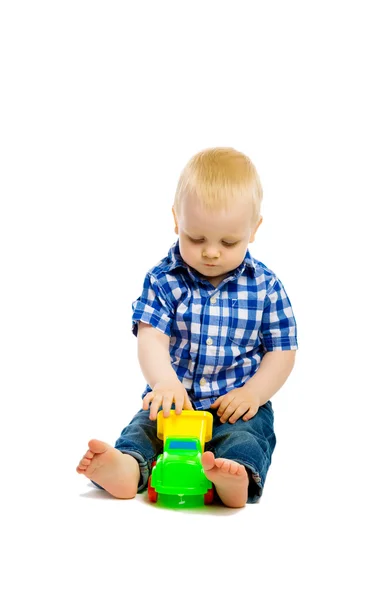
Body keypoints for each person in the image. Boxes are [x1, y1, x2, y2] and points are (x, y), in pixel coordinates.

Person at [76, 147, 298, 508]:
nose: (211, 252)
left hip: (235, 406)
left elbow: (282, 350)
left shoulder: (266, 286)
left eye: (228, 242)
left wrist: (254, 394)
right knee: (144, 431)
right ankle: (127, 467)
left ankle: (232, 477)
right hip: (173, 404)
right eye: (196, 238)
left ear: (254, 230)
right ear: (177, 220)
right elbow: (151, 337)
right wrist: (165, 383)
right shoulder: (164, 280)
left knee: (249, 436)